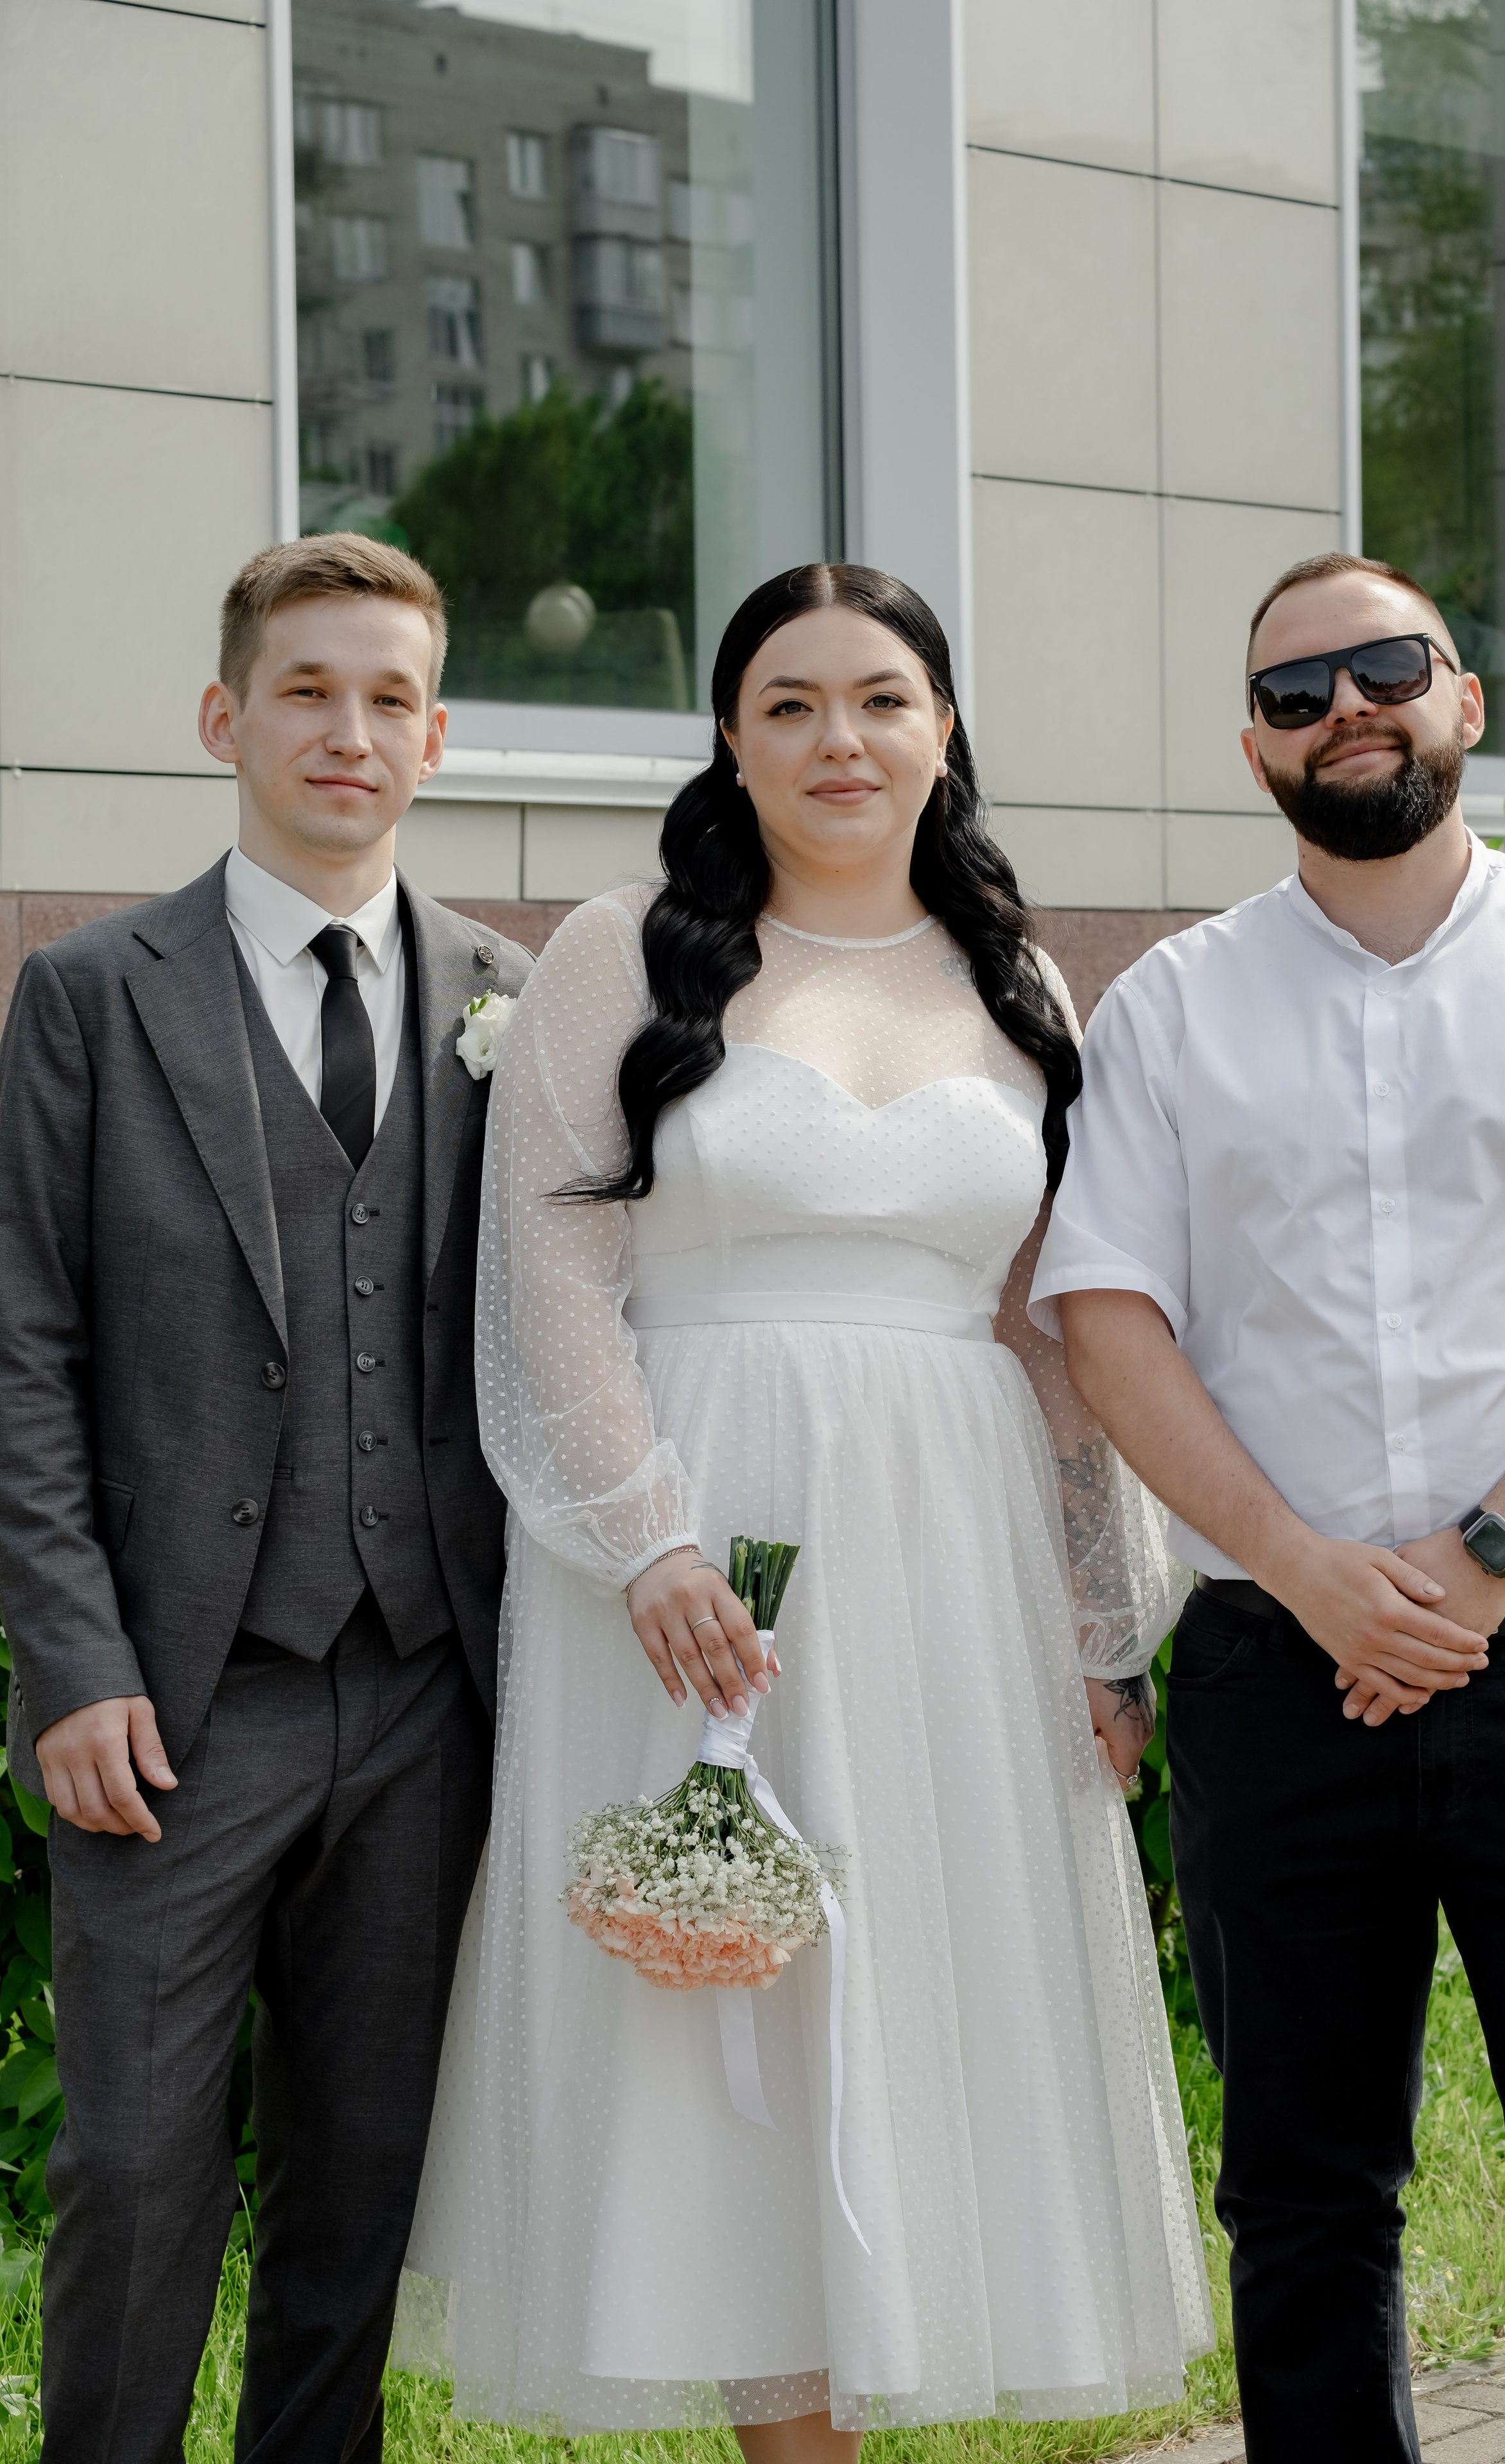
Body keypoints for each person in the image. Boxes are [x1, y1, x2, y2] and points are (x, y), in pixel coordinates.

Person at [398, 563, 1212, 2451]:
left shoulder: (1016, 973)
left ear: (942, 729)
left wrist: (1101, 1626)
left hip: (958, 1549)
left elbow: (1049, 1329)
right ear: (731, 739)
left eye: (878, 700)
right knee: (726, 2000)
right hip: (702, 1535)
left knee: (925, 1985)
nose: (837, 739)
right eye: (788, 704)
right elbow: (548, 1276)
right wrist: (648, 1537)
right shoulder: (625, 949)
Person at [1031, 549, 1505, 2463]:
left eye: (1386, 667)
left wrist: (1474, 1565)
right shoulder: (1173, 1010)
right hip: (1275, 1685)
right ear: (1254, 750)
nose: (1346, 707)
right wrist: (1312, 1581)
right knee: (1301, 2206)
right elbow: (1108, 1322)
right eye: (1299, 693)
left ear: (1463, 699)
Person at [0, 535, 532, 2461]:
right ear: (226, 718)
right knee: (137, 2176)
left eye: (390, 697)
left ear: (438, 737)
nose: (349, 730)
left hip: (424, 1691)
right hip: (171, 1698)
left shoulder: (508, 998)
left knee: (357, 2193)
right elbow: (23, 1349)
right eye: (308, 689)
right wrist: (69, 1660)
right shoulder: (87, 997)